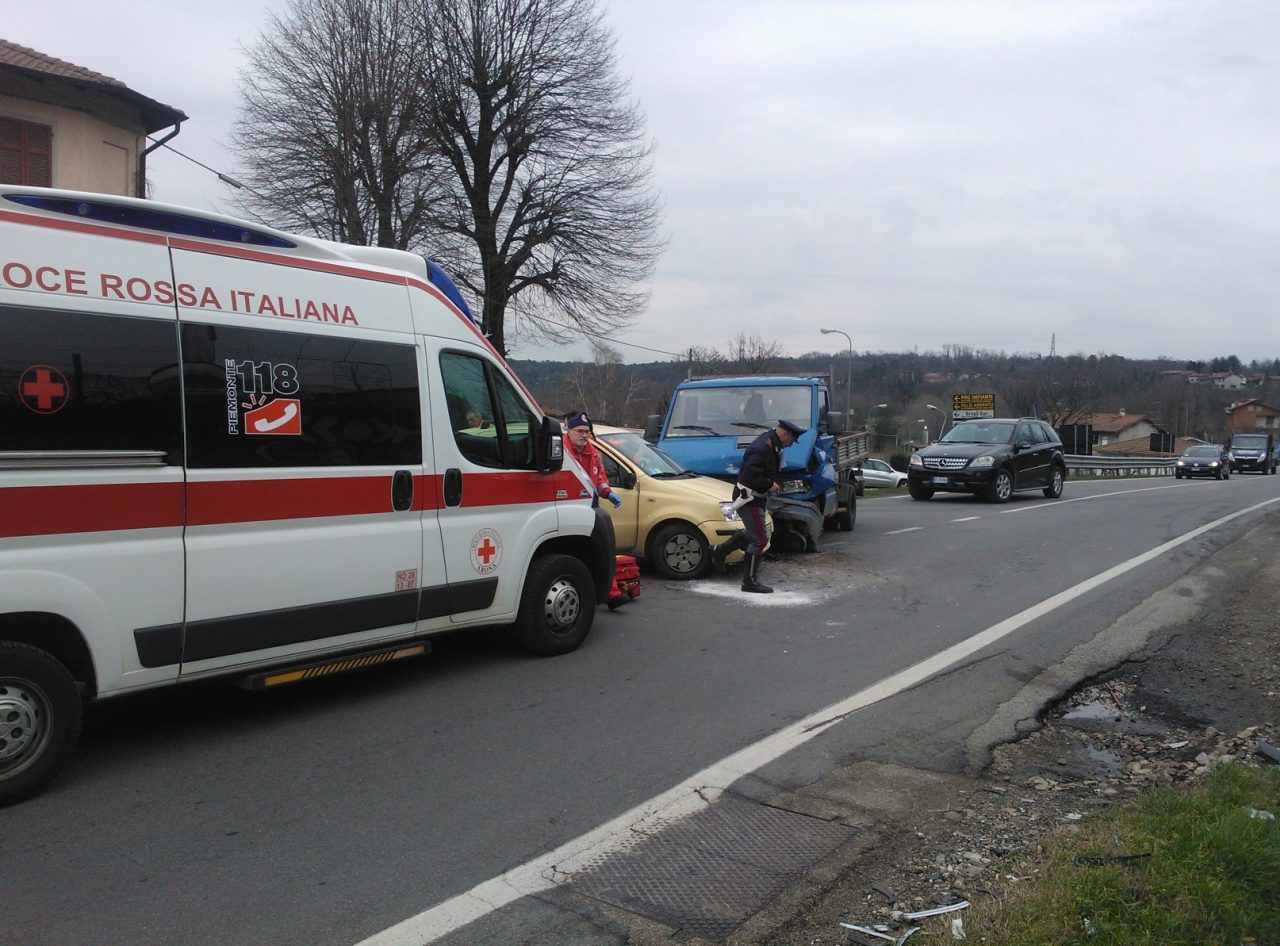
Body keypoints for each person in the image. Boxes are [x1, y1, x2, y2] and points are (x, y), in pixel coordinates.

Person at [709, 418, 805, 593]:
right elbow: (750, 475)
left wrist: (772, 482)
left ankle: (719, 550)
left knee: (756, 533)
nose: (791, 444)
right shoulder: (762, 448)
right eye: (792, 440)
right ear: (784, 434)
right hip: (749, 498)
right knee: (760, 539)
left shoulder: (772, 445)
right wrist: (769, 484)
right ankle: (749, 582)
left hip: (756, 496)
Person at [563, 411, 628, 610]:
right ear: (569, 431)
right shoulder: (561, 451)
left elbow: (599, 479)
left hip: (589, 508)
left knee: (601, 550)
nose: (585, 435)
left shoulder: (592, 452)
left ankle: (612, 594)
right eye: (580, 431)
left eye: (587, 431)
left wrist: (608, 492)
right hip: (566, 509)